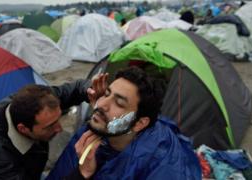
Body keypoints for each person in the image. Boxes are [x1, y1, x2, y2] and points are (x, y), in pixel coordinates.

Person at [47, 66, 201, 179]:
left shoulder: (162, 166)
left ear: (139, 123)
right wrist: (81, 175)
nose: (100, 105)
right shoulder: (95, 132)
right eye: (106, 94)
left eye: (119, 103)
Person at [0, 77, 107, 180]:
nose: (59, 128)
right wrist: (82, 173)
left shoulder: (35, 101)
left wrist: (91, 90)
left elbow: (75, 88)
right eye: (50, 126)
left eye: (58, 119)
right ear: (23, 129)